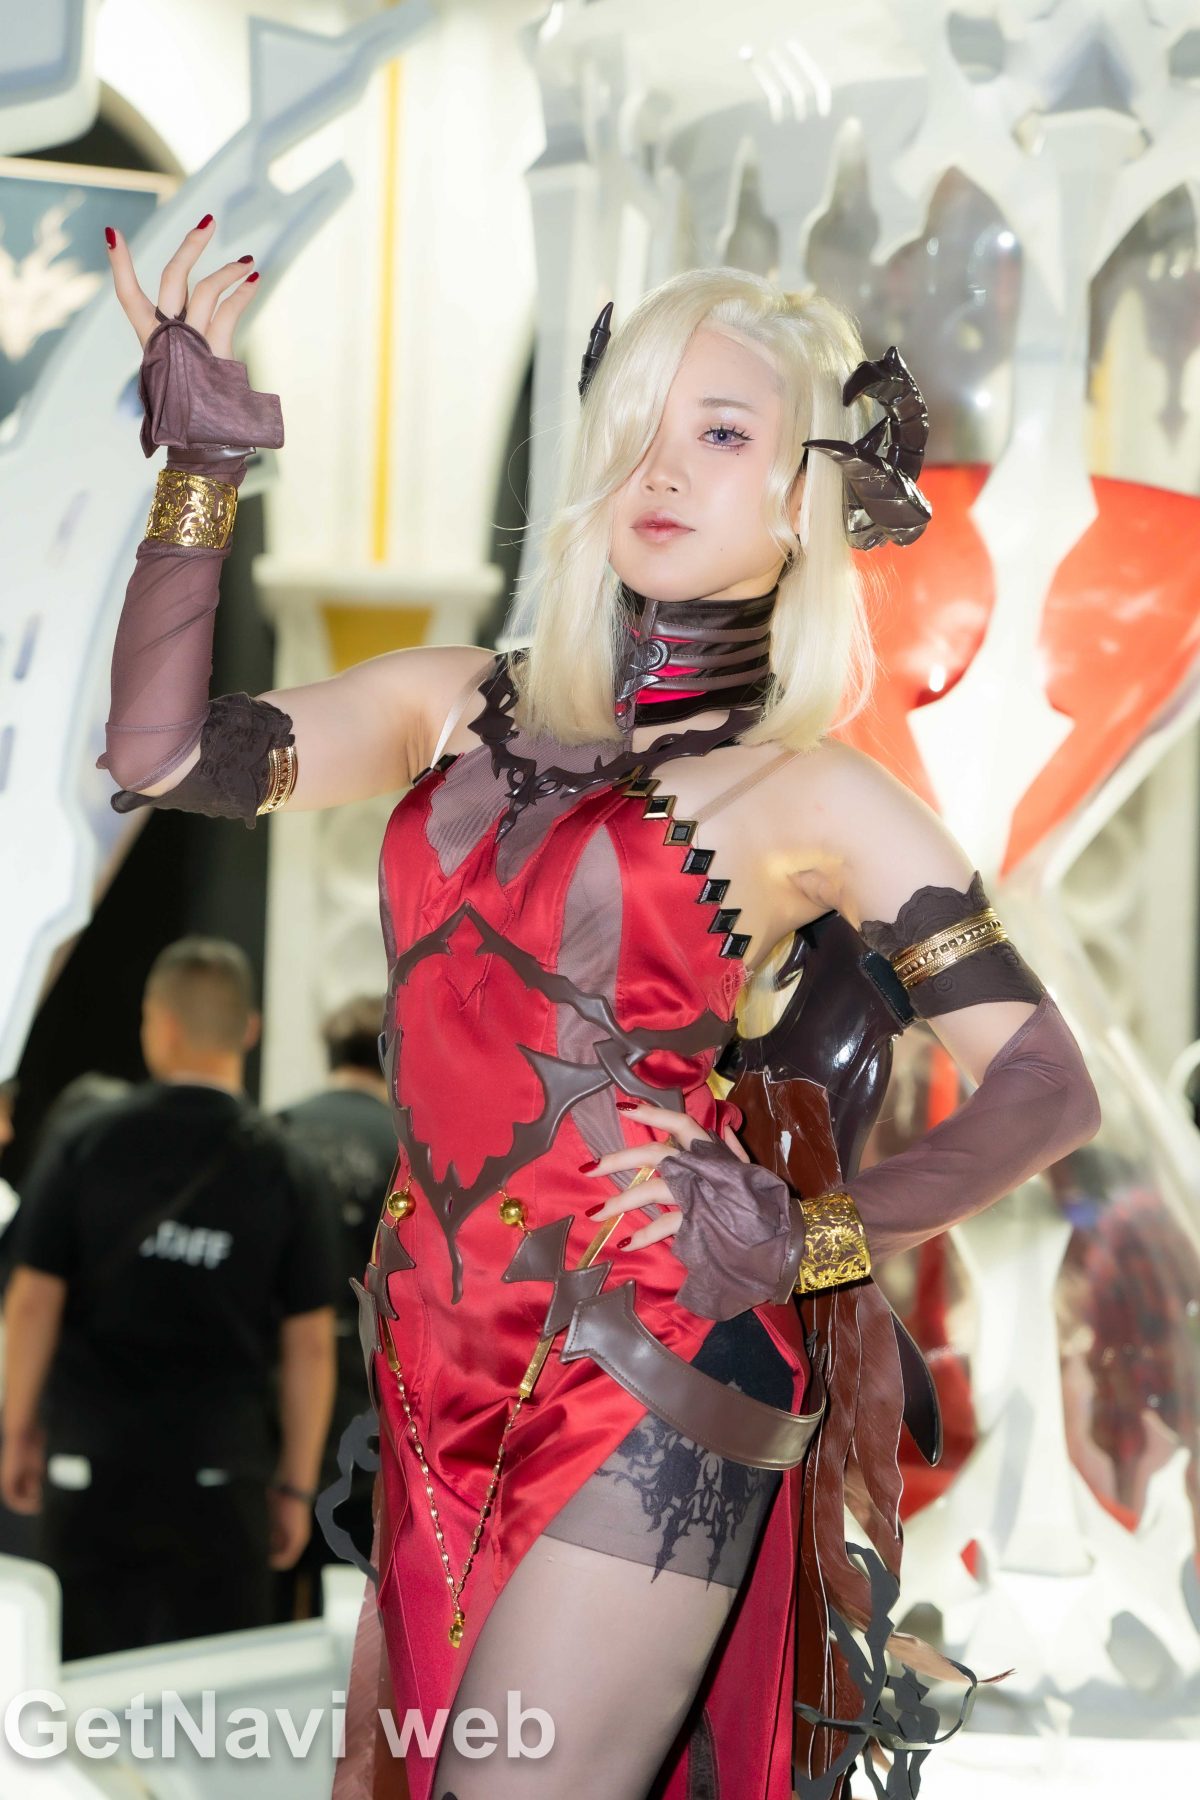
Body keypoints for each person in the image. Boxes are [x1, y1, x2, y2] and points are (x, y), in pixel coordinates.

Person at [94, 218, 1101, 1798]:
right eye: (637, 424)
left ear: (810, 494)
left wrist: (812, 1236)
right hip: (427, 1353)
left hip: (652, 1354)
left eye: (724, 433)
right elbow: (161, 756)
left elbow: (1048, 1080)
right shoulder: (450, 703)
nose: (663, 467)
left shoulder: (810, 790)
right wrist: (201, 466)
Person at [0, 936, 339, 1660]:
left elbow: (31, 1302)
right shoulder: (288, 1166)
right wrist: (295, 1485)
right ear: (249, 1029)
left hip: (92, 1460)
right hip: (224, 1473)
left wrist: (17, 1429)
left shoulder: (85, 1141)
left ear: (160, 1023)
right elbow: (310, 1344)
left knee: (81, 1684)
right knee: (216, 1698)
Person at [274, 994, 398, 1615]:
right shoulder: (411, 1148)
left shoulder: (273, 1131)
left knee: (265, 1599)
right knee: (350, 1595)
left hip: (272, 1390)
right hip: (368, 1398)